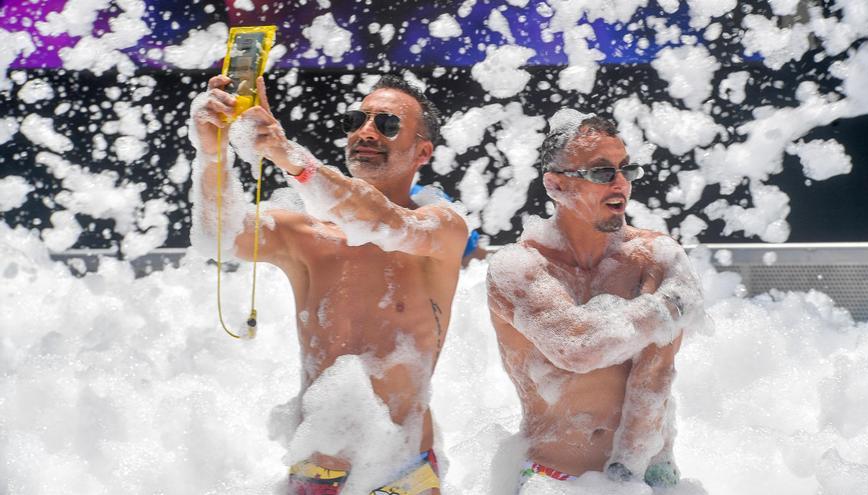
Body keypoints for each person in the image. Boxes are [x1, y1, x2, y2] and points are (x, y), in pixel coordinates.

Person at [189, 74, 469, 494]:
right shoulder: (306, 232)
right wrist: (212, 153)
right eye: (356, 120)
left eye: (387, 124)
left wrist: (284, 152)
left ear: (422, 152)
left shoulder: (439, 229)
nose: (366, 132)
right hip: (318, 462)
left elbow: (381, 222)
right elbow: (218, 234)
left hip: (401, 463)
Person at [486, 111, 706, 491]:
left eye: (626, 169)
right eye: (602, 172)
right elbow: (578, 347)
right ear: (556, 185)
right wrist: (665, 308)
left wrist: (629, 474)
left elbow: (653, 379)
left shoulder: (657, 257)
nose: (620, 182)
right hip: (552, 479)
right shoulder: (517, 268)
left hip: (643, 475)